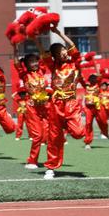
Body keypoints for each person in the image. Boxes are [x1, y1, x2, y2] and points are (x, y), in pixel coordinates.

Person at [39, 27, 87, 179]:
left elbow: (73, 46)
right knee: (53, 137)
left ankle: (67, 126)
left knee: (79, 133)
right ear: (55, 57)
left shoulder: (75, 63)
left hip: (71, 103)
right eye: (60, 52)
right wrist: (34, 37)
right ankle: (51, 167)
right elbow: (43, 52)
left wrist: (59, 33)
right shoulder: (53, 66)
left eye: (64, 49)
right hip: (56, 105)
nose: (64, 52)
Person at [13, 46, 50, 169]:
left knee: (49, 135)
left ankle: (52, 161)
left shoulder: (41, 71)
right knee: (38, 135)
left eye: (35, 61)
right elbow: (17, 64)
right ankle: (32, 161)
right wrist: (15, 48)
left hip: (44, 107)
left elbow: (44, 57)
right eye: (31, 61)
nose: (35, 63)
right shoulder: (24, 75)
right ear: (26, 64)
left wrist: (37, 41)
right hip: (32, 108)